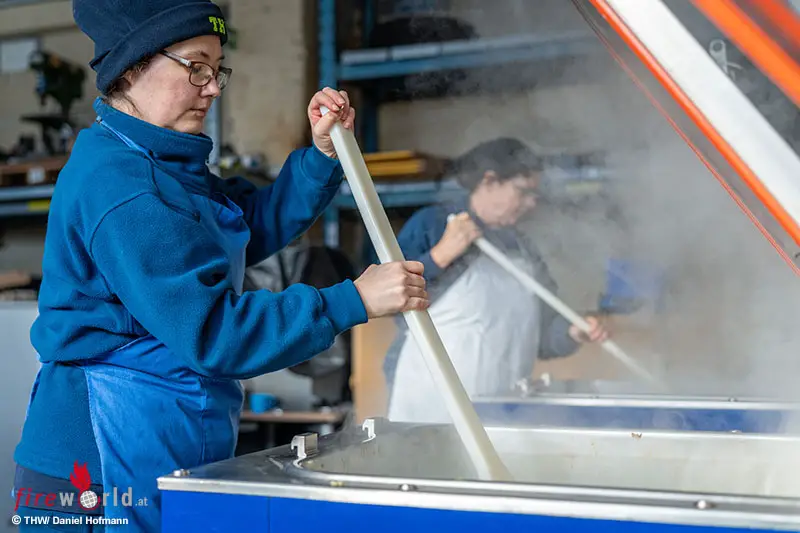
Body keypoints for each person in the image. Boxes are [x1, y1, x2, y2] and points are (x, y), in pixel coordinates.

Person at [11, 1, 428, 530]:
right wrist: (353, 300)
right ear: (132, 69)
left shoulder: (166, 164)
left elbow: (243, 225)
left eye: (216, 69)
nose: (212, 87)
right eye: (196, 68)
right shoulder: (121, 186)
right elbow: (214, 334)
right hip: (94, 472)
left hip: (161, 442)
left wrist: (322, 157)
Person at [384, 138, 609, 423]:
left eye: (535, 195)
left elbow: (541, 333)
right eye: (523, 191)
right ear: (489, 182)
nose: (531, 203)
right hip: (430, 404)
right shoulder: (434, 224)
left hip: (502, 410)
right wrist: (441, 255)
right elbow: (389, 297)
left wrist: (572, 331)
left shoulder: (523, 248)